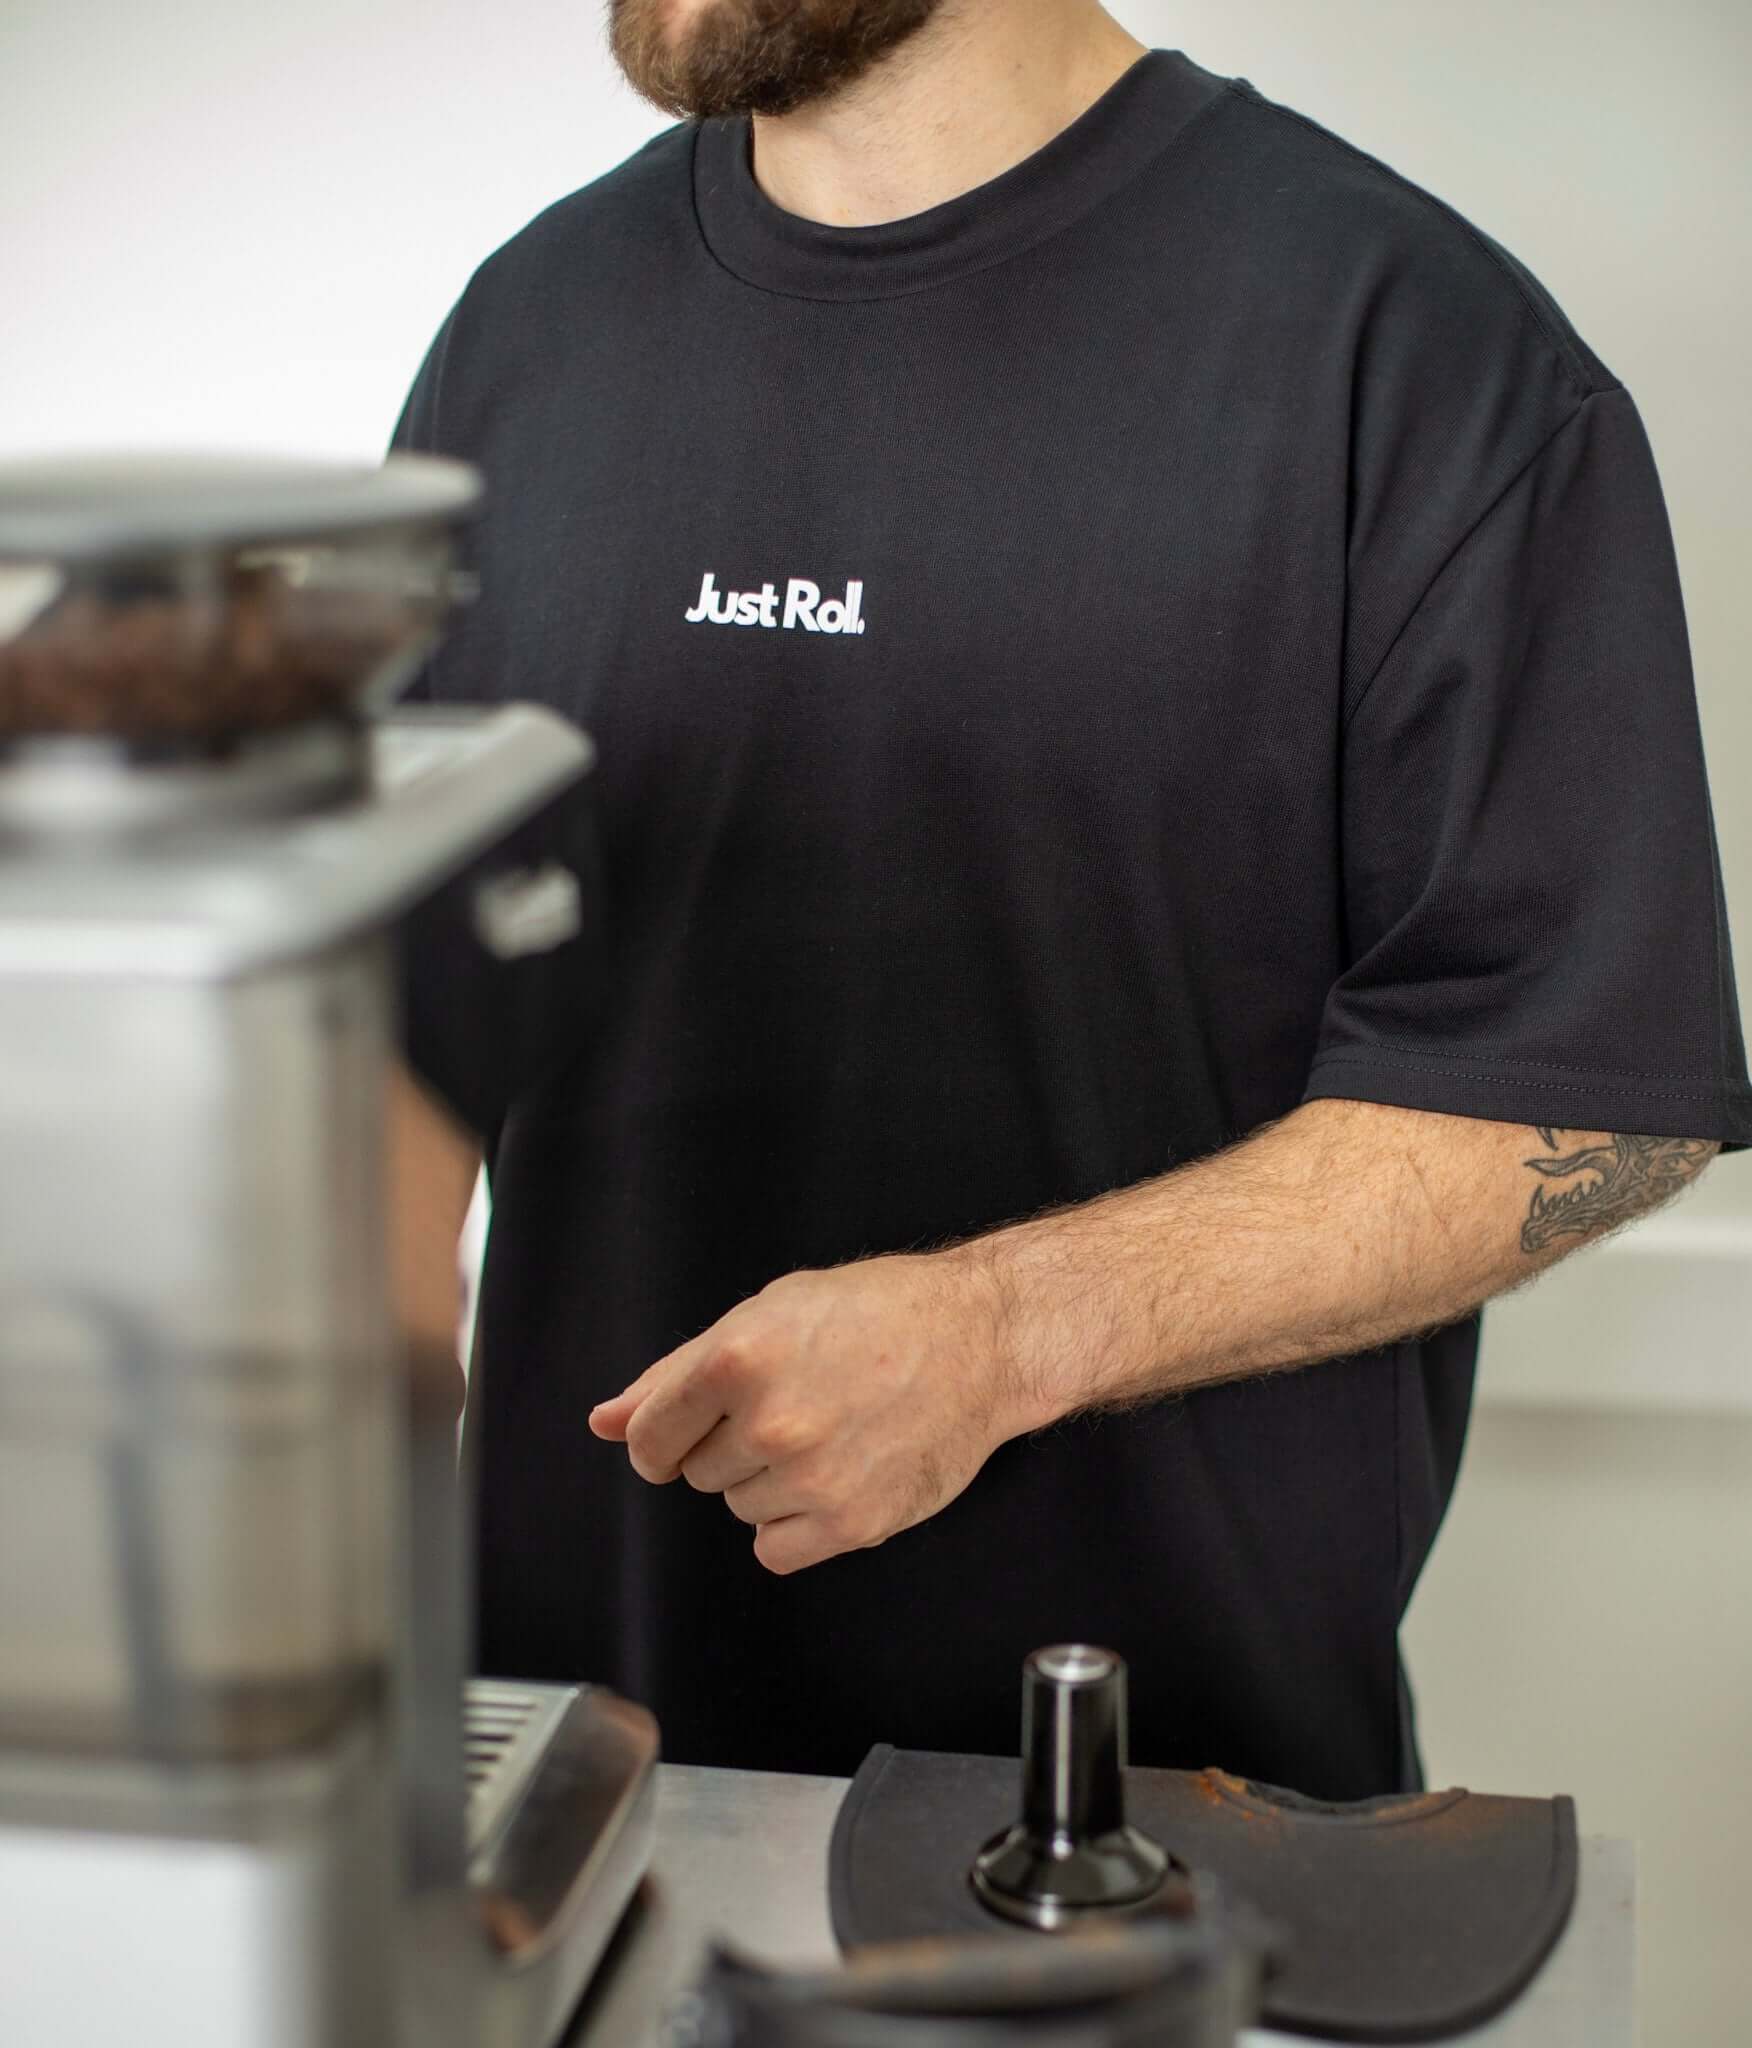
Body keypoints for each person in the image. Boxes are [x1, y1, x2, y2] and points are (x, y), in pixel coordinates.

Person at [388, 0, 1749, 1799]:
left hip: (1160, 1821)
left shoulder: (1412, 349)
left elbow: (1574, 1095)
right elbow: (412, 985)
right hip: (565, 1786)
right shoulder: (528, 324)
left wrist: (1001, 1333)